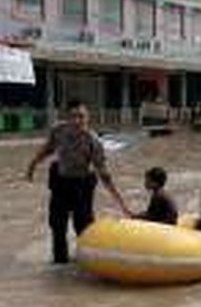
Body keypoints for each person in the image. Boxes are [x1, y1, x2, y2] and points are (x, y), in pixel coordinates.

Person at [26, 101, 130, 264]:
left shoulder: (93, 140)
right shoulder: (58, 130)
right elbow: (47, 149)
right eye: (73, 116)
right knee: (57, 226)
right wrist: (32, 166)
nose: (77, 121)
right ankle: (60, 263)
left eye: (81, 117)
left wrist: (120, 203)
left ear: (87, 118)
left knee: (83, 226)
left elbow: (103, 173)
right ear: (66, 118)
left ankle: (85, 261)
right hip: (60, 183)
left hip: (82, 184)